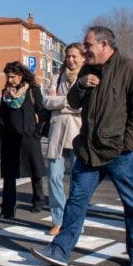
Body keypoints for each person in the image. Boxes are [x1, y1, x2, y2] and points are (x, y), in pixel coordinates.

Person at [30, 26, 133, 266]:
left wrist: (129, 145)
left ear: (104, 45)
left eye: (88, 45)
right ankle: (60, 250)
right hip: (88, 150)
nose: (85, 50)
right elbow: (73, 101)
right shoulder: (87, 69)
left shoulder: (129, 68)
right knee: (76, 202)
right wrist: (82, 85)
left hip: (120, 152)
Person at [0, 61, 47, 219]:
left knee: (35, 171)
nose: (10, 80)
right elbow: (2, 115)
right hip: (10, 140)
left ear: (21, 75)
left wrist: (37, 132)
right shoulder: (5, 92)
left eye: (13, 77)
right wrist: (1, 132)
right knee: (9, 175)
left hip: (29, 138)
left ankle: (38, 202)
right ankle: (7, 209)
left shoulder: (32, 90)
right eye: (8, 77)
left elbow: (42, 112)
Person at [43, 43, 84, 235]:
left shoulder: (88, 78)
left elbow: (86, 106)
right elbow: (46, 102)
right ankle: (58, 220)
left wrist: (59, 101)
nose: (71, 60)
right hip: (57, 132)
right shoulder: (57, 76)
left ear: (83, 58)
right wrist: (68, 101)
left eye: (75, 56)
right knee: (54, 178)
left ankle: (75, 221)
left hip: (78, 133)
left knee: (78, 181)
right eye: (68, 56)